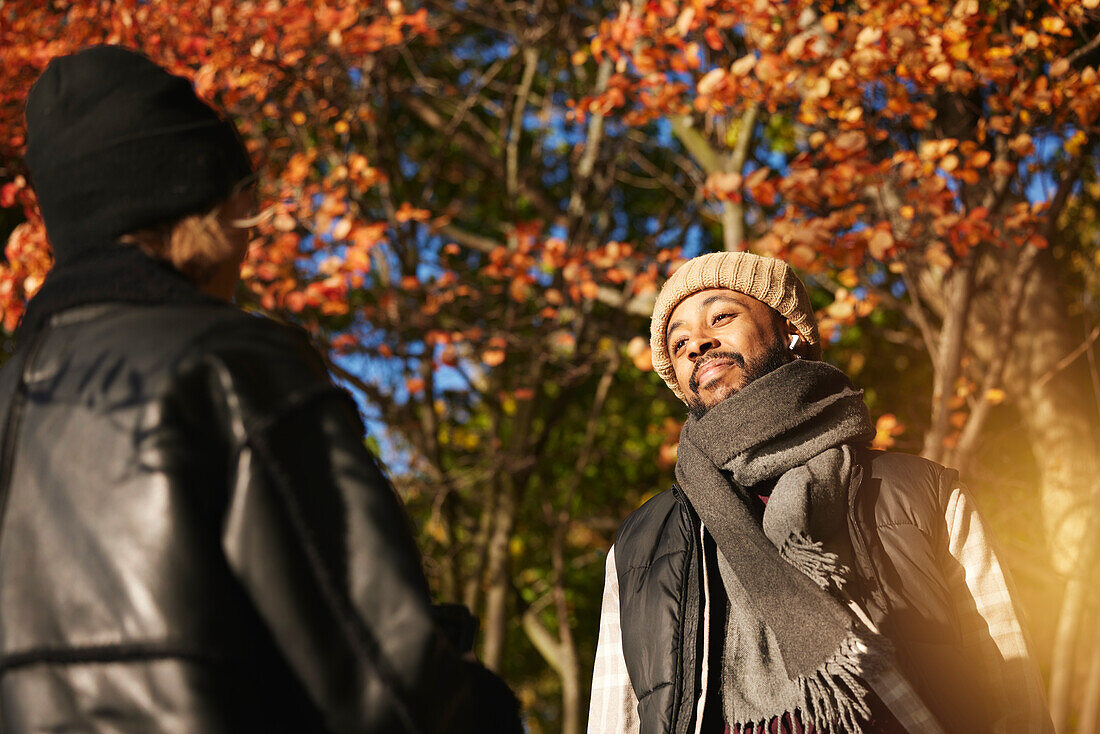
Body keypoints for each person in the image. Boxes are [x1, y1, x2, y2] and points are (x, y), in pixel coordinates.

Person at [0, 45, 519, 733]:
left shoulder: (11, 398)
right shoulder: (232, 369)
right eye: (244, 200)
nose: (249, 240)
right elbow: (391, 687)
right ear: (198, 202)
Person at [586, 251, 1053, 734]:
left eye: (720, 317)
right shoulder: (644, 542)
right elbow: (612, 719)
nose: (696, 344)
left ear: (790, 328)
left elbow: (1011, 682)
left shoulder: (920, 492)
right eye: (678, 341)